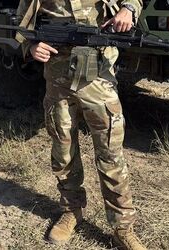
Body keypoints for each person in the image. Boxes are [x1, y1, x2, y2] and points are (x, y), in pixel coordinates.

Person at [17, 0, 146, 249]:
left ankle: (122, 226)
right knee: (63, 148)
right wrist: (31, 46)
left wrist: (127, 10)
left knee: (110, 151)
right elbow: (23, 23)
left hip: (98, 75)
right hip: (58, 76)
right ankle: (71, 211)